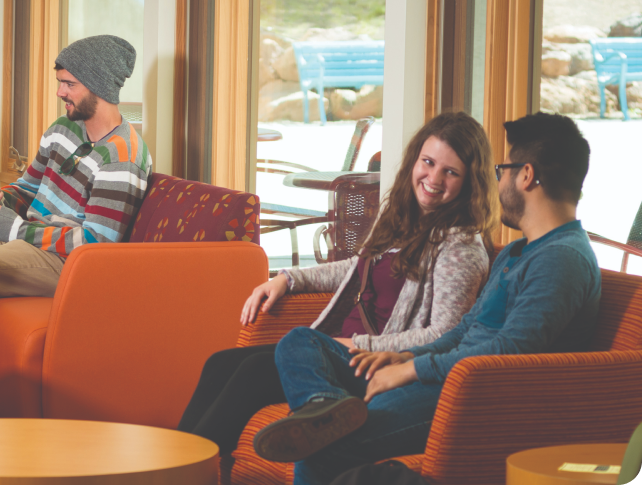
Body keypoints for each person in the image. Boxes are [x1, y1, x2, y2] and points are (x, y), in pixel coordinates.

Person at [254, 113, 600, 485]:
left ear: (526, 175)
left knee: (323, 448)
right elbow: (467, 330)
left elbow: (509, 352)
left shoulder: (561, 259)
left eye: (503, 171)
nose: (499, 182)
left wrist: (414, 369)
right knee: (299, 345)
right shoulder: (521, 252)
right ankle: (326, 409)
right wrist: (407, 357)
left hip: (475, 399)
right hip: (447, 380)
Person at [176, 112, 496, 458]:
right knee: (220, 363)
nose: (433, 178)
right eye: (428, 162)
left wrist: (358, 344)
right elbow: (356, 269)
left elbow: (443, 336)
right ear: (415, 160)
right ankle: (176, 462)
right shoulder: (400, 216)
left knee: (255, 370)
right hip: (339, 349)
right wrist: (287, 279)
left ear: (470, 181)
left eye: (450, 172)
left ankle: (191, 468)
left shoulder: (461, 248)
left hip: (374, 362)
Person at [0, 34, 151, 338]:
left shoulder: (122, 157)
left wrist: (19, 231)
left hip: (60, 262)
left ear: (98, 86)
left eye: (69, 84)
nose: (60, 92)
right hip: (21, 240)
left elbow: (96, 243)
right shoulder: (62, 129)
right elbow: (28, 190)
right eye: (60, 82)